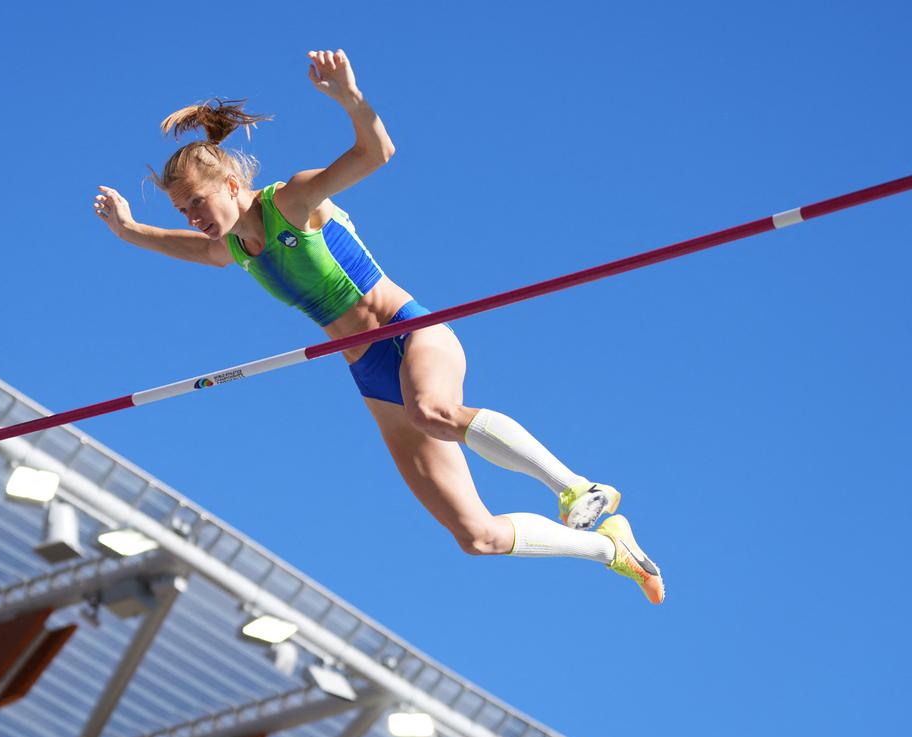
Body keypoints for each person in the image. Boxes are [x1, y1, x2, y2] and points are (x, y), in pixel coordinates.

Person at [93, 49, 663, 604]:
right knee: (476, 536)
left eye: (196, 202)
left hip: (409, 330)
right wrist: (129, 230)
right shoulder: (235, 249)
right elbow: (185, 247)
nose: (192, 218)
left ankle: (575, 487)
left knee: (434, 412)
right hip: (369, 374)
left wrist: (350, 99)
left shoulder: (291, 201)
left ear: (233, 185)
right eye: (182, 210)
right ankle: (610, 550)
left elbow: (376, 152)